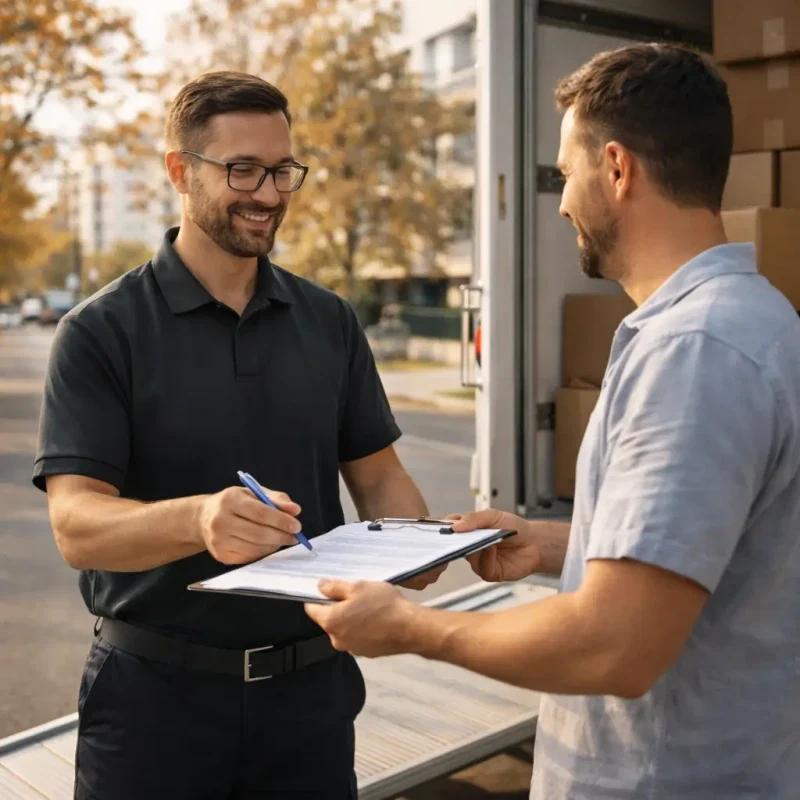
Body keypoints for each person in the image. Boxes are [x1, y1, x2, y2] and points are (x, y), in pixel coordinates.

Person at [306, 43, 800, 799]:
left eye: (565, 174)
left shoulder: (693, 352)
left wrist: (411, 631)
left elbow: (616, 645)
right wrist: (547, 545)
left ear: (616, 167)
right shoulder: (753, 321)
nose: (563, 202)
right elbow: (712, 550)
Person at [34, 71, 442, 800]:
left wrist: (426, 544)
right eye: (243, 169)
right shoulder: (100, 332)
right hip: (154, 707)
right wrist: (198, 519)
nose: (270, 193)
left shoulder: (331, 321)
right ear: (180, 173)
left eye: (283, 169)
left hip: (310, 700)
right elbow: (76, 526)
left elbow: (379, 479)